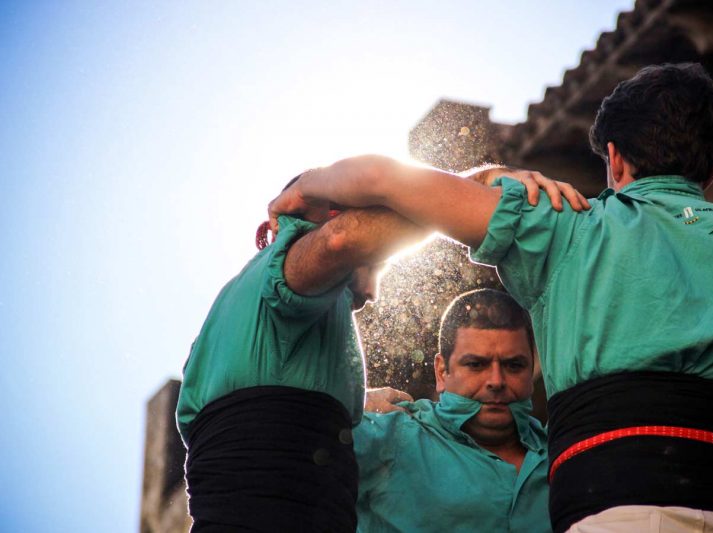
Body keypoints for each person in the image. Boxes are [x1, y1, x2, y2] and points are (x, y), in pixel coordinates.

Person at [268, 63, 713, 532]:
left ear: (613, 160)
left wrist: (307, 187)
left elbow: (383, 178)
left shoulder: (569, 229)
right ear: (712, 168)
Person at [178, 173, 582, 531]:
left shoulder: (251, 317)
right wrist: (476, 184)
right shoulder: (283, 276)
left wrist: (351, 409)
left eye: (514, 366)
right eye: (378, 261)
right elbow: (340, 240)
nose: (373, 293)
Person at [354, 289, 550, 533]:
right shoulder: (394, 434)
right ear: (441, 372)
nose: (497, 380)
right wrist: (344, 405)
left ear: (531, 372)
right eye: (476, 365)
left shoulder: (563, 451)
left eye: (514, 365)